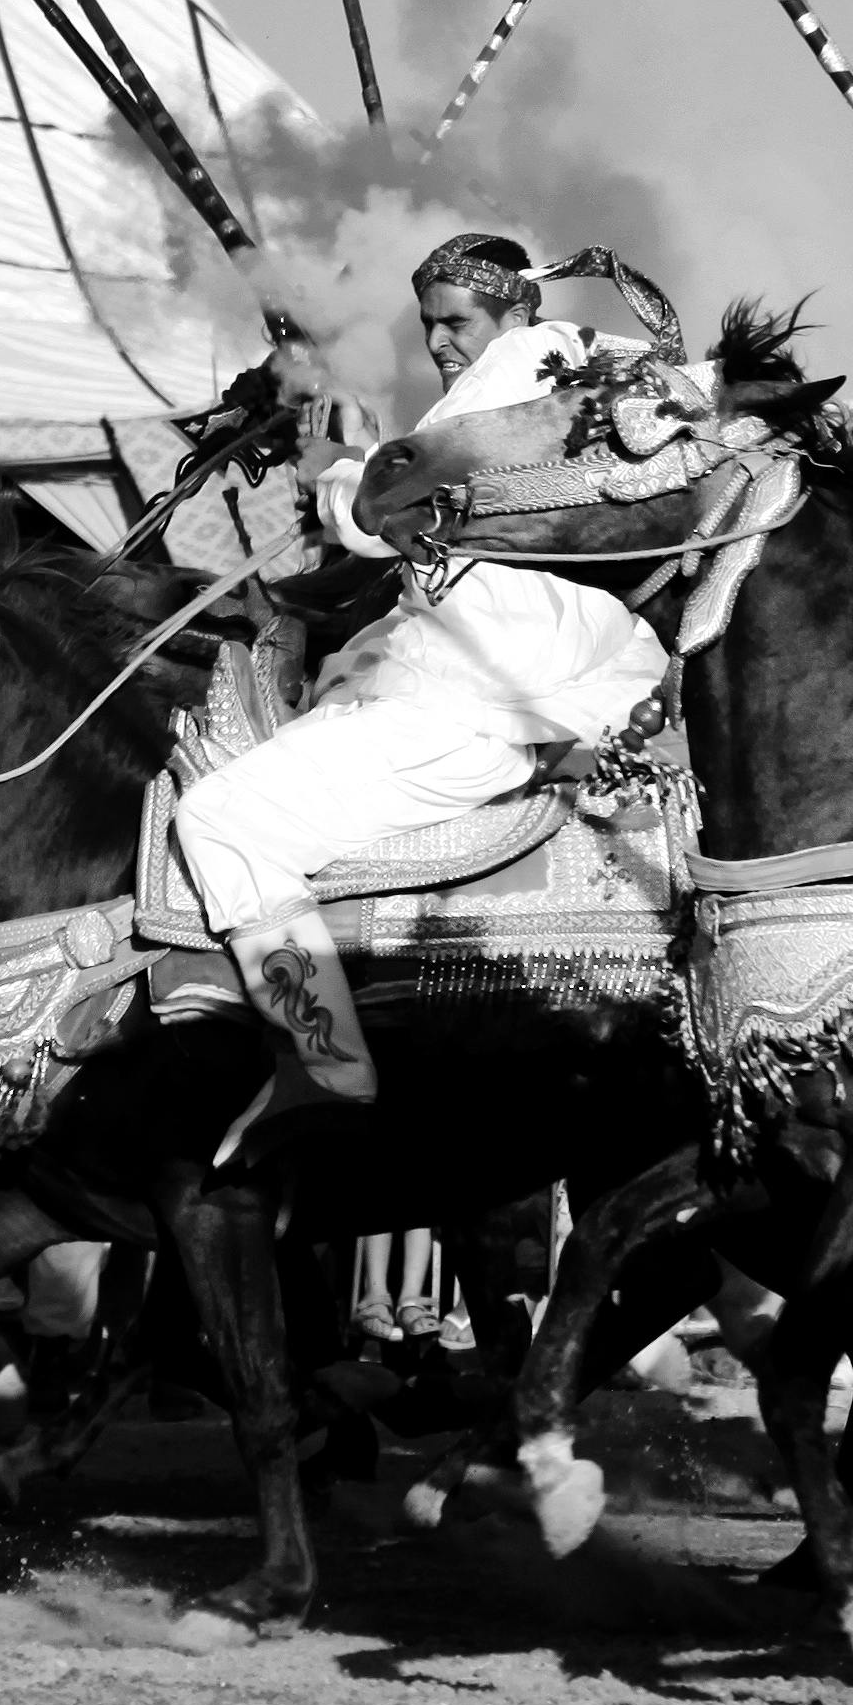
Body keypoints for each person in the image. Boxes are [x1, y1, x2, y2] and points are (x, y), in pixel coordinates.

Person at [174, 235, 671, 1150]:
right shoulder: (567, 372)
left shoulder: (521, 372)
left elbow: (385, 505)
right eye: (431, 325)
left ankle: (322, 1061)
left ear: (516, 313)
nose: (443, 342)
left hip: (470, 700)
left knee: (218, 819)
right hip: (502, 679)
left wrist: (323, 453)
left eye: (459, 322)